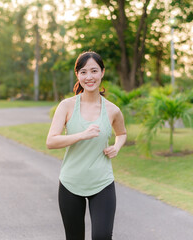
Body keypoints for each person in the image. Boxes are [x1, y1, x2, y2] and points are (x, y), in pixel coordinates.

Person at [46, 51, 127, 240]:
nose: (89, 77)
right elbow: (51, 141)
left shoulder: (112, 110)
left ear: (102, 73)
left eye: (94, 71)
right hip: (70, 182)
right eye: (83, 72)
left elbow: (122, 133)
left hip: (102, 182)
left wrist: (117, 146)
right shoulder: (66, 106)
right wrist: (81, 135)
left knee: (102, 236)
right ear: (78, 75)